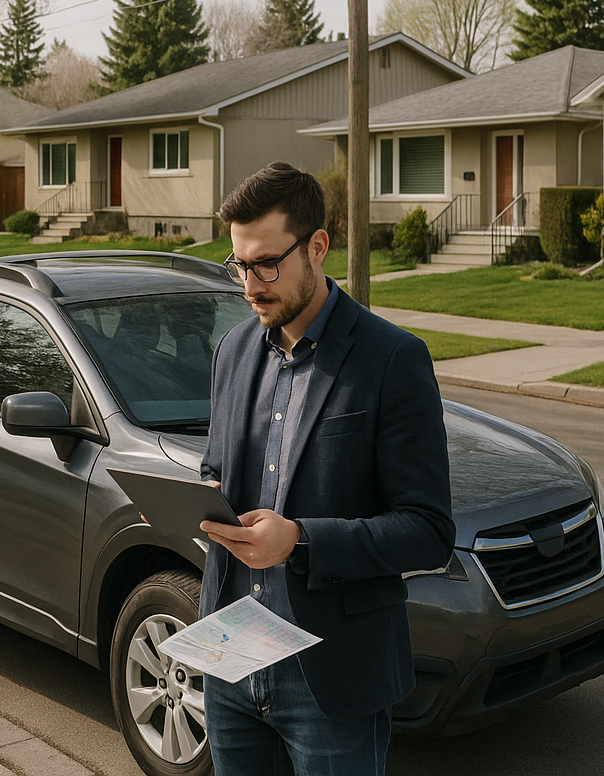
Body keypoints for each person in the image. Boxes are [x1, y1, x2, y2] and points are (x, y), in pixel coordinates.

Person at [197, 161, 454, 776]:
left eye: (266, 264)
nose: (250, 286)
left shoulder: (393, 359)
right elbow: (216, 466)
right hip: (232, 662)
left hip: (332, 680)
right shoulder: (233, 351)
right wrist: (204, 502)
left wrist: (301, 540)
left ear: (316, 247)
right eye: (239, 266)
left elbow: (428, 529)